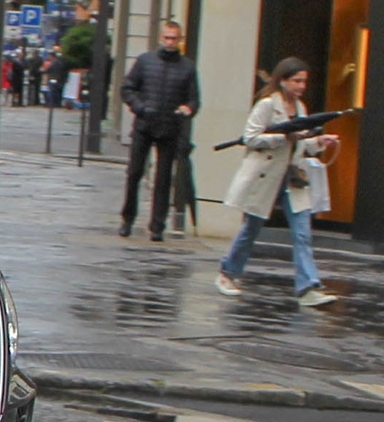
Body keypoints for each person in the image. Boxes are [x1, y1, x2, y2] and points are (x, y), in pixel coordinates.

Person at [216, 58, 340, 308]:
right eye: (297, 80)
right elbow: (251, 138)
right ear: (283, 80)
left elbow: (299, 145)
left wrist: (319, 142)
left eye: (304, 81)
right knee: (251, 229)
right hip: (266, 176)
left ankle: (308, 287)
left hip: (292, 177)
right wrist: (281, 136)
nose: (302, 85)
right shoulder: (266, 106)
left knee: (302, 233)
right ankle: (227, 273)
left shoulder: (301, 108)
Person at [119, 20, 199, 241]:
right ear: (161, 38)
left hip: (170, 127)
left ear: (180, 40)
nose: (171, 42)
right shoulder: (145, 61)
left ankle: (157, 225)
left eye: (175, 38)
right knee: (134, 172)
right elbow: (127, 88)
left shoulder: (187, 67)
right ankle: (128, 218)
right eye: (168, 37)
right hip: (145, 124)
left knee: (163, 179)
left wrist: (188, 108)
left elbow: (194, 99)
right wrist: (141, 107)